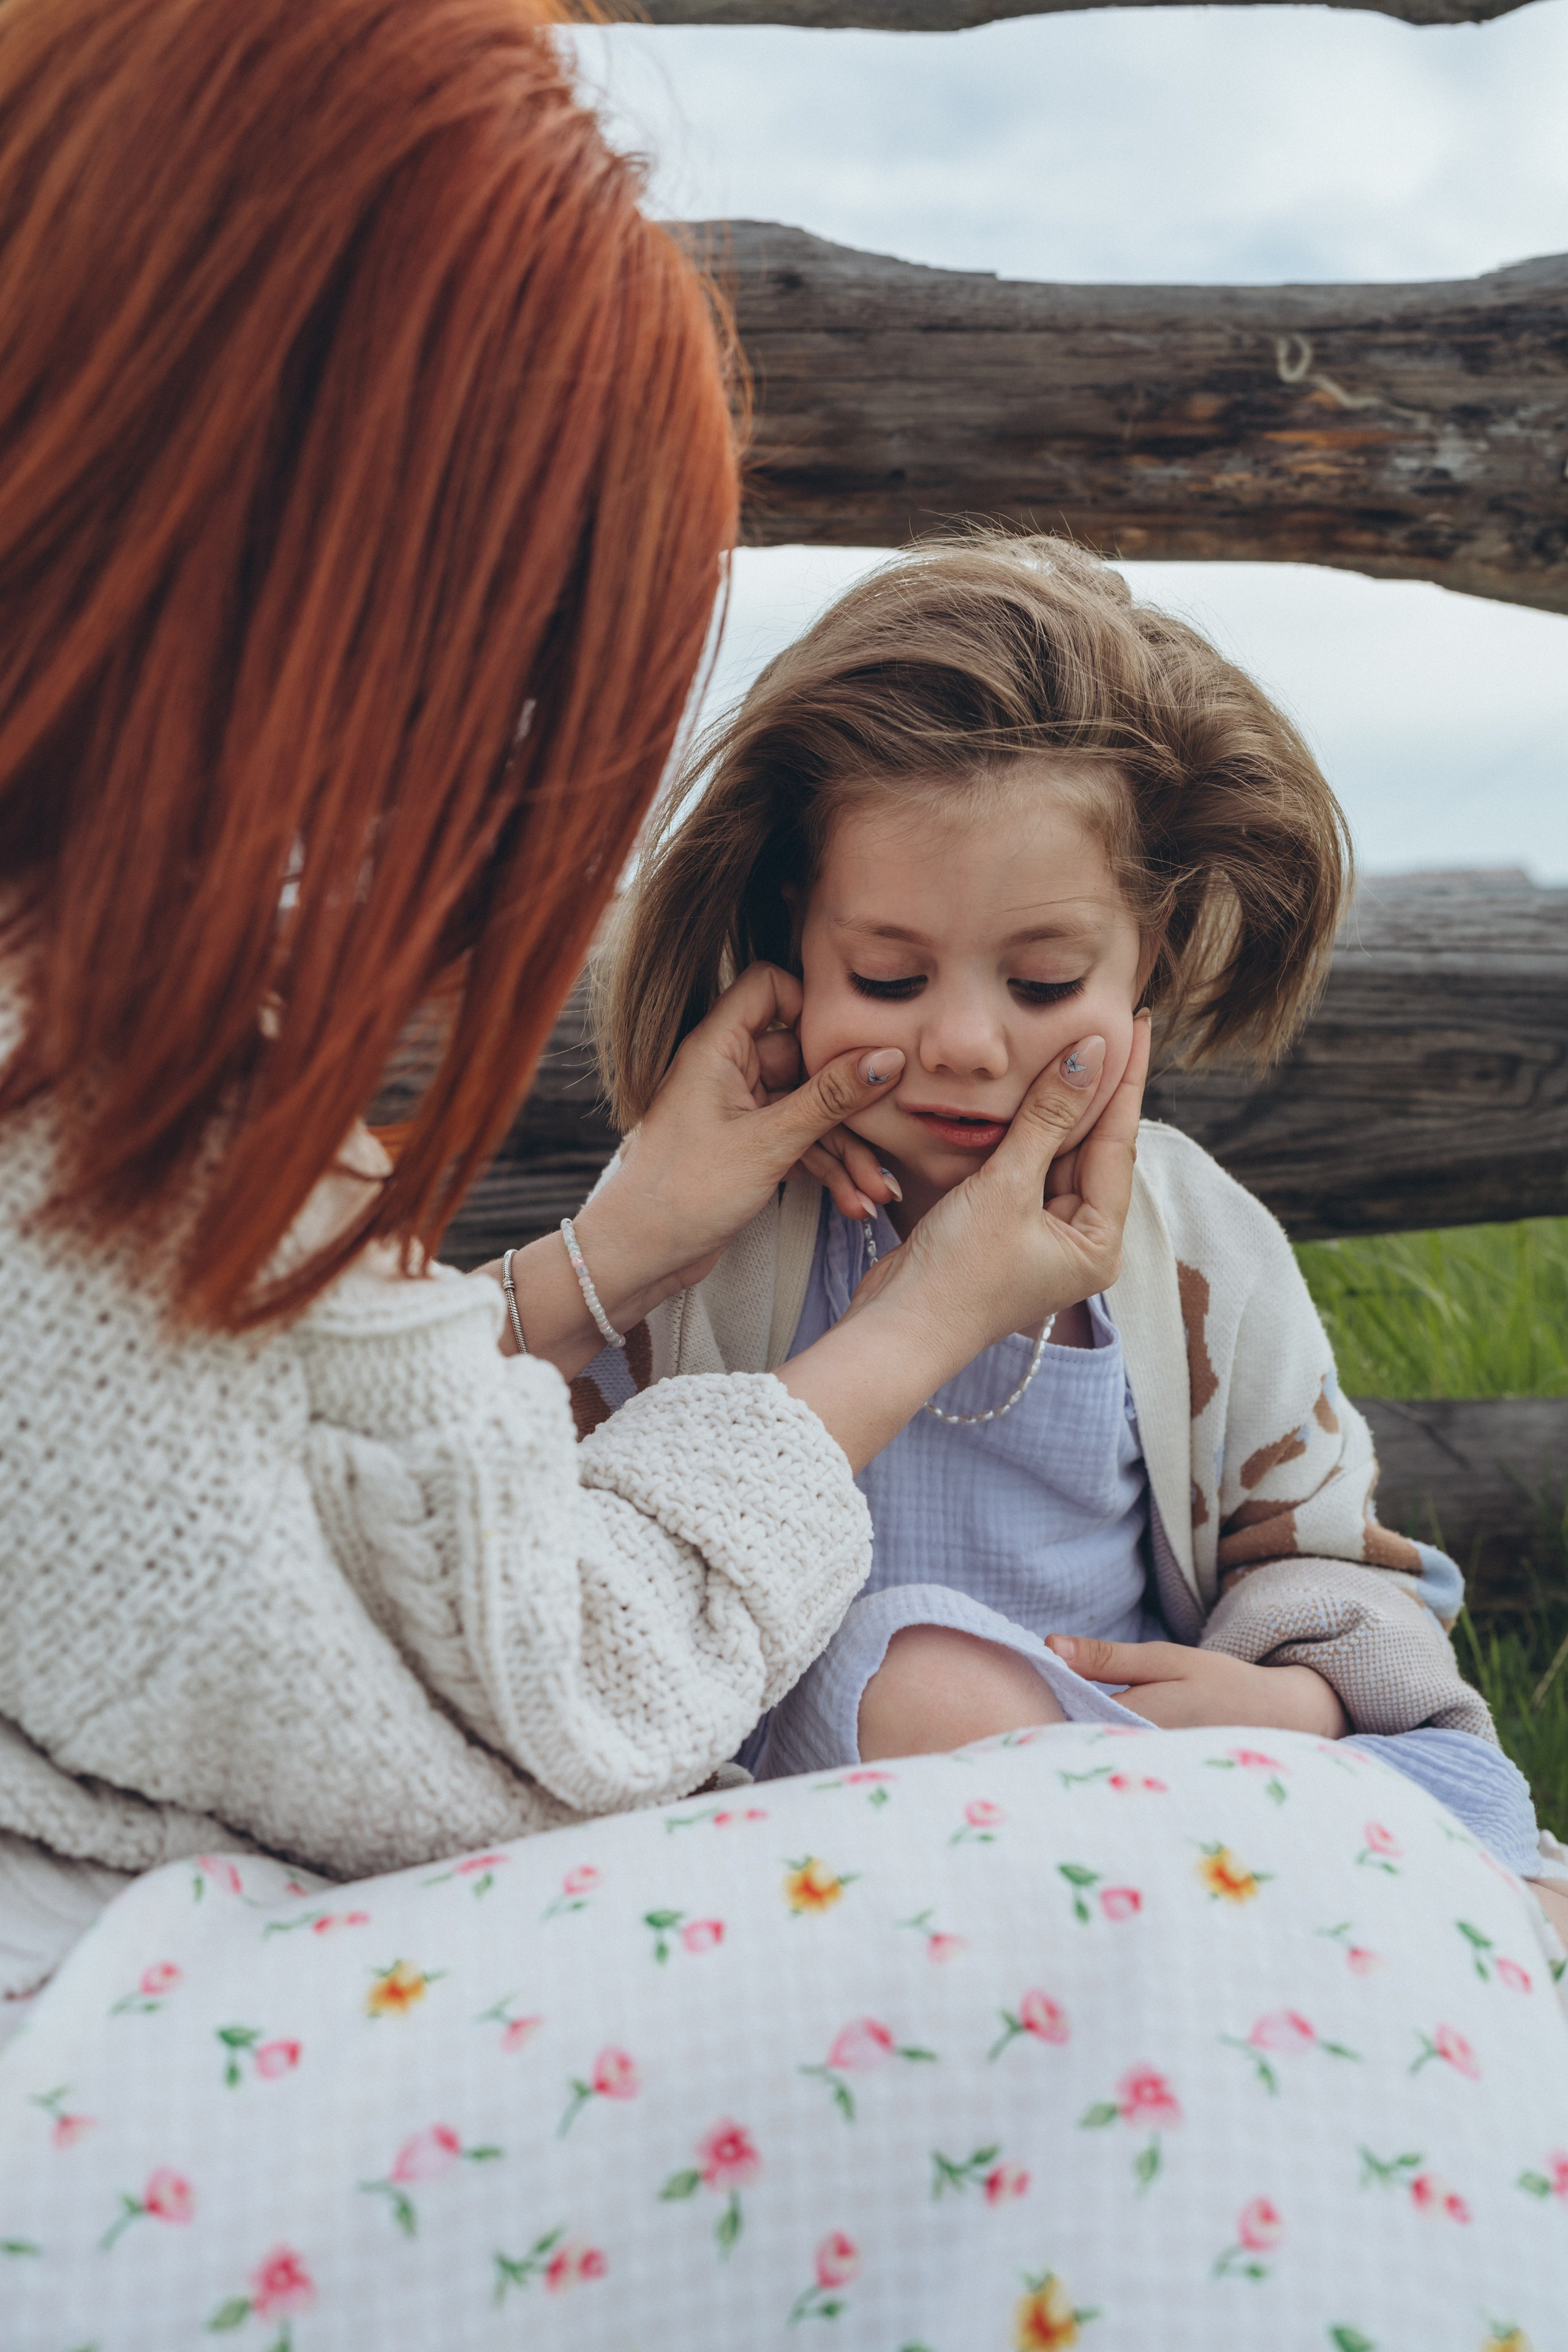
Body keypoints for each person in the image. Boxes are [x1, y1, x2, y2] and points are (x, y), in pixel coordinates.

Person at [587, 534, 1568, 1933]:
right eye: (886, 975)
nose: (970, 1045)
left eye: (1046, 982)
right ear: (786, 940)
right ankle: (1330, 1915)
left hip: (1143, 1768)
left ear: (1147, 956)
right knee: (903, 1666)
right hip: (825, 1822)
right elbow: (579, 1542)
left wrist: (1283, 1698)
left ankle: (1280, 1901)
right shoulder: (708, 1225)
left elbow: (1321, 1553)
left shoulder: (1198, 1249)